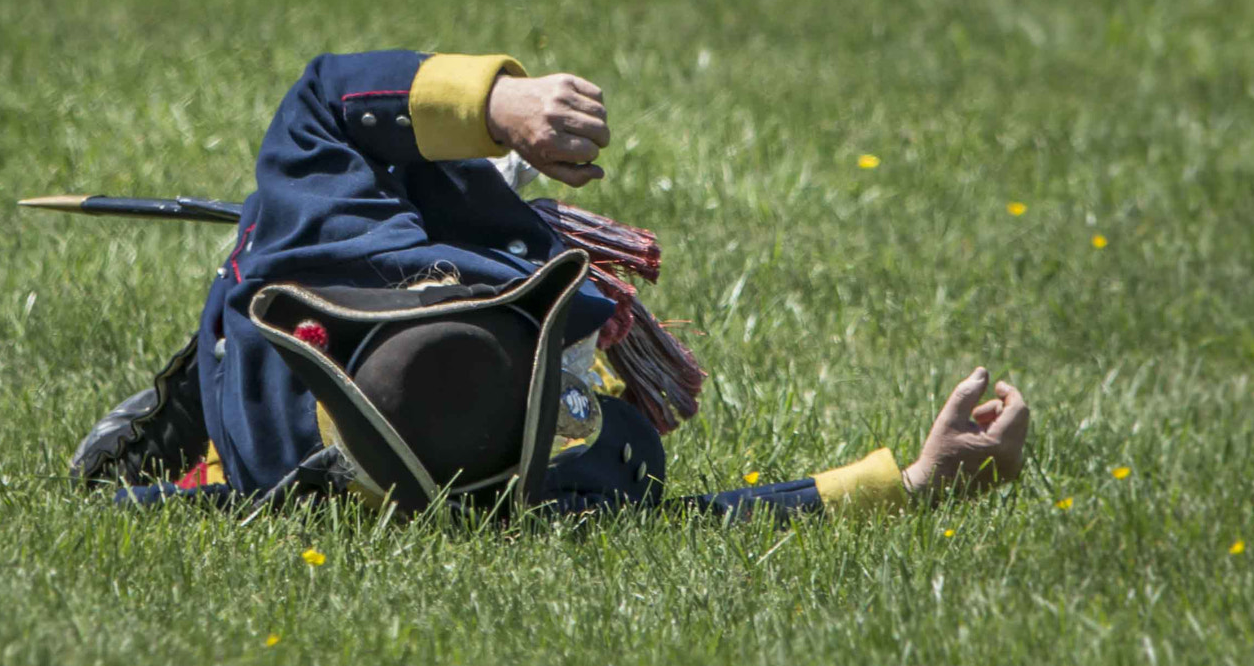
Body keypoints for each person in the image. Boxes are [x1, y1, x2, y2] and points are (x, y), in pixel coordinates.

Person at [69, 51, 1030, 521]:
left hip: (257, 336)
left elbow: (325, 93)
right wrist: (909, 484)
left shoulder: (314, 242)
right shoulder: (547, 481)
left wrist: (498, 103)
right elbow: (706, 527)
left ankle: (191, 389)